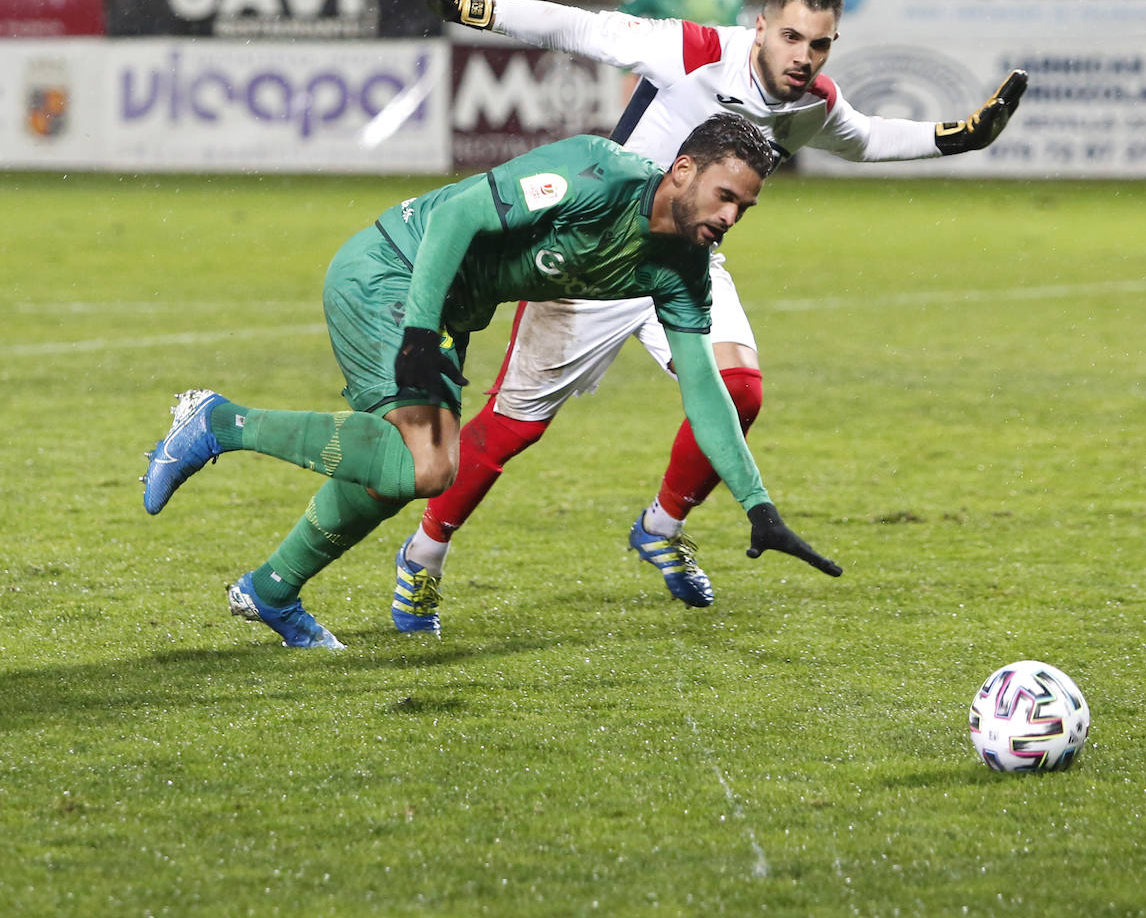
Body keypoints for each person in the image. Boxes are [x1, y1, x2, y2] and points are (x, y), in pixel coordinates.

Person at [380, 0, 1027, 633]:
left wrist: (960, 136)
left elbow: (864, 138)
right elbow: (580, 28)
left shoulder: (811, 102)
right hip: (595, 255)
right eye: (790, 36)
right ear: (760, 27)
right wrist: (472, 9)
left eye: (820, 44)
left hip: (685, 265)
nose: (804, 55)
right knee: (514, 428)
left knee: (740, 390)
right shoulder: (692, 50)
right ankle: (424, 554)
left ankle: (661, 525)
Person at [141, 104, 841, 649]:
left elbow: (703, 388)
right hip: (392, 272)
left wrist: (758, 505)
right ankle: (215, 421)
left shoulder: (681, 270)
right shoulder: (596, 175)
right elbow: (457, 215)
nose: (729, 217)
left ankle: (271, 590)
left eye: (743, 209)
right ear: (682, 170)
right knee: (425, 464)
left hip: (446, 309)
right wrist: (419, 333)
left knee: (399, 474)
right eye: (724, 196)